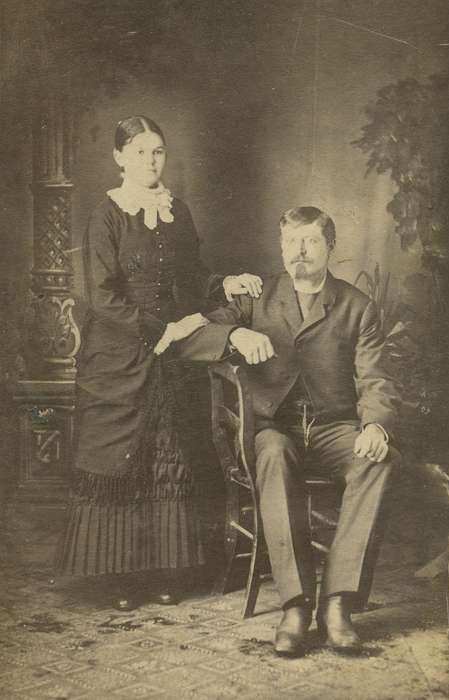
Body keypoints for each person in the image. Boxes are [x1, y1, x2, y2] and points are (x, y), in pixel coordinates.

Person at [165, 205, 401, 656]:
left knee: (380, 459)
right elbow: (188, 341)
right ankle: (296, 605)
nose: (300, 251)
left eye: (311, 241)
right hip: (275, 427)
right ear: (281, 247)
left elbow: (376, 379)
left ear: (331, 247)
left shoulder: (357, 306)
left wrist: (374, 425)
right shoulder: (256, 296)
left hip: (334, 428)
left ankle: (338, 604)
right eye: (291, 241)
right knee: (272, 452)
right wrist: (234, 335)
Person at [56, 115, 262, 610]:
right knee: (126, 461)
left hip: (172, 357)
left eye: (159, 152)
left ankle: (168, 571)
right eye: (142, 151)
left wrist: (225, 284)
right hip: (120, 354)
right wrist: (159, 331)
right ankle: (123, 578)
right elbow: (101, 297)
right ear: (120, 157)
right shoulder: (106, 215)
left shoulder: (177, 211)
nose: (151, 161)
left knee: (168, 460)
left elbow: (193, 276)